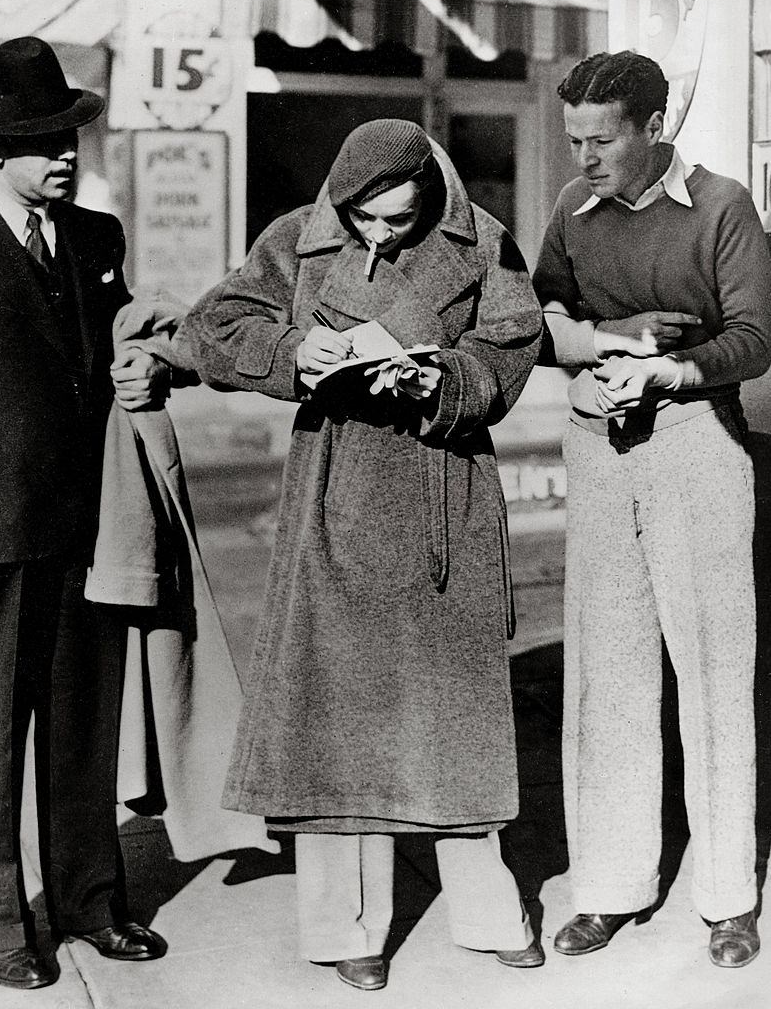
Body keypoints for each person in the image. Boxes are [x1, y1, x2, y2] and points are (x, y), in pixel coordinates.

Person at [177, 118, 544, 991]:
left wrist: (440, 378)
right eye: (366, 220)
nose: (380, 235)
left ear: (431, 195)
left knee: (455, 706)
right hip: (336, 485)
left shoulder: (485, 243)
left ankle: (489, 913)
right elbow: (212, 326)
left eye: (400, 220)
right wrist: (299, 350)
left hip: (440, 489)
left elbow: (511, 347)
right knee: (336, 709)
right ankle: (347, 930)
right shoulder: (298, 240)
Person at [533, 50, 771, 968]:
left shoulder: (719, 206)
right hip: (598, 449)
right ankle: (608, 886)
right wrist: (605, 344)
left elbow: (755, 337)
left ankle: (724, 896)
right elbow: (539, 315)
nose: (583, 158)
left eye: (600, 140)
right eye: (574, 141)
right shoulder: (570, 211)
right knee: (608, 671)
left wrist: (670, 368)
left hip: (695, 450)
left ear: (650, 129)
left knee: (713, 673)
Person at [0, 37, 170, 990]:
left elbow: (119, 354)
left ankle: (89, 901)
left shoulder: (93, 239)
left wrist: (147, 364)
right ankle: (2, 925)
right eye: (39, 140)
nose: (63, 153)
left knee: (84, 723)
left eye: (68, 133)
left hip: (90, 523)